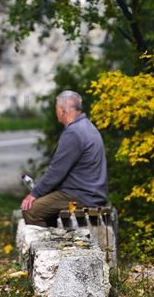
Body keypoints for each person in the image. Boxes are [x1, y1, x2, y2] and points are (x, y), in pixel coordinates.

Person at [21, 90, 108, 226]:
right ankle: (55, 238)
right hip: (92, 193)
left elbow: (56, 171)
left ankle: (47, 245)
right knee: (45, 203)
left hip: (82, 195)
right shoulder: (87, 126)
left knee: (31, 210)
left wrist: (34, 194)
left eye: (56, 109)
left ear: (62, 110)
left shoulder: (74, 133)